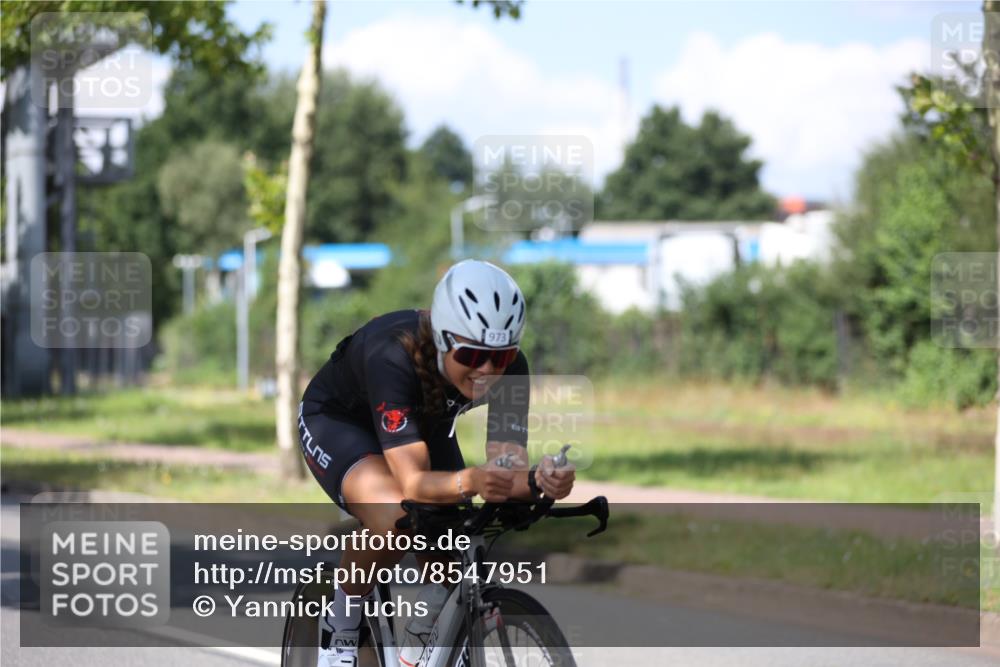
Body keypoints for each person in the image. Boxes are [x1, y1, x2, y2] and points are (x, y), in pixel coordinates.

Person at [298, 260, 576, 667]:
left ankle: (422, 644)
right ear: (443, 340)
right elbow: (412, 483)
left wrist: (541, 481)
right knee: (397, 518)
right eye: (471, 354)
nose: (486, 370)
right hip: (341, 422)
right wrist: (471, 480)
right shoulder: (392, 353)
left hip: (422, 428)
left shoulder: (510, 369)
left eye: (500, 357)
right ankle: (340, 624)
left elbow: (506, 465)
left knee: (451, 551)